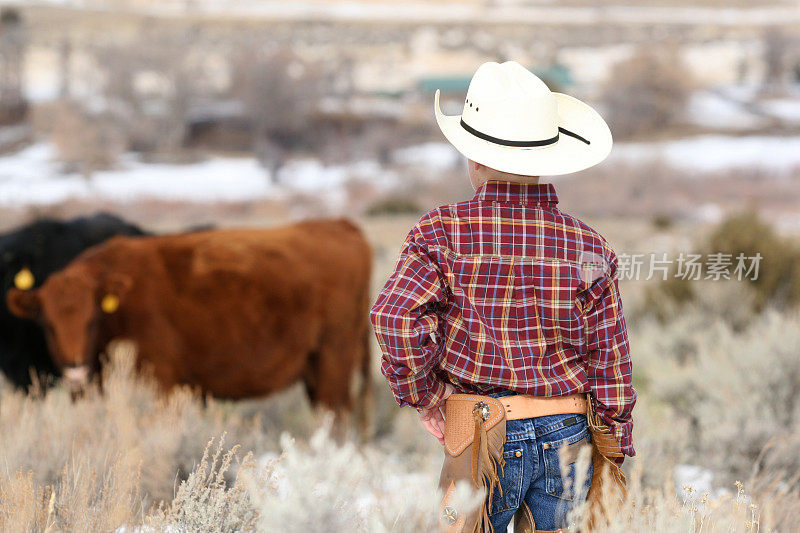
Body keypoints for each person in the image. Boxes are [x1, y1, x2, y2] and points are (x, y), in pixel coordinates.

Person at [370, 61, 635, 532]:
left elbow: (394, 316)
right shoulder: (590, 246)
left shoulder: (441, 231)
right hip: (568, 432)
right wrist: (613, 445)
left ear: (472, 158)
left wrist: (426, 396)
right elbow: (610, 358)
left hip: (479, 428)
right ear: (546, 159)